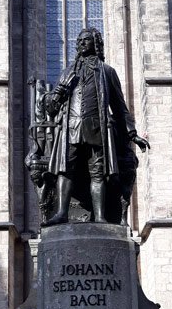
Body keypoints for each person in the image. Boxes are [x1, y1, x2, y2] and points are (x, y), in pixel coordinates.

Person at [43, 27, 149, 226]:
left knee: (97, 173)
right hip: (71, 129)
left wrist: (132, 134)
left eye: (86, 40)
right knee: (66, 170)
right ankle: (61, 213)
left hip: (97, 129)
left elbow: (119, 106)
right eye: (80, 40)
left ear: (96, 43)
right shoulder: (67, 73)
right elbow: (51, 110)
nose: (82, 43)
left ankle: (100, 216)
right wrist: (59, 91)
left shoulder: (107, 72)